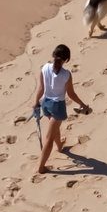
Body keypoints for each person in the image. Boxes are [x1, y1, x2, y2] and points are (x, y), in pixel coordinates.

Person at [34, 44, 89, 174]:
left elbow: (41, 88)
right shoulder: (66, 74)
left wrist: (35, 102)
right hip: (57, 107)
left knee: (54, 129)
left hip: (45, 104)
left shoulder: (45, 68)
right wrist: (84, 105)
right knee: (49, 138)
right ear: (66, 60)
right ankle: (41, 167)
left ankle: (59, 146)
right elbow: (71, 94)